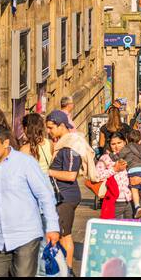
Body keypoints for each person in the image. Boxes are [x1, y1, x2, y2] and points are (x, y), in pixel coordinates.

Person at [0, 121, 60, 278]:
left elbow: (45, 196)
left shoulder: (25, 163)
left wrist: (52, 226)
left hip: (26, 235)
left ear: (5, 143)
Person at [46, 110, 84, 270]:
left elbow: (70, 175)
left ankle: (67, 270)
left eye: (51, 128)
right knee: (62, 234)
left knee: (64, 236)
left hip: (66, 197)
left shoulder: (69, 146)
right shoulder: (62, 143)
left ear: (61, 125)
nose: (48, 131)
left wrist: (47, 172)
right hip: (61, 196)